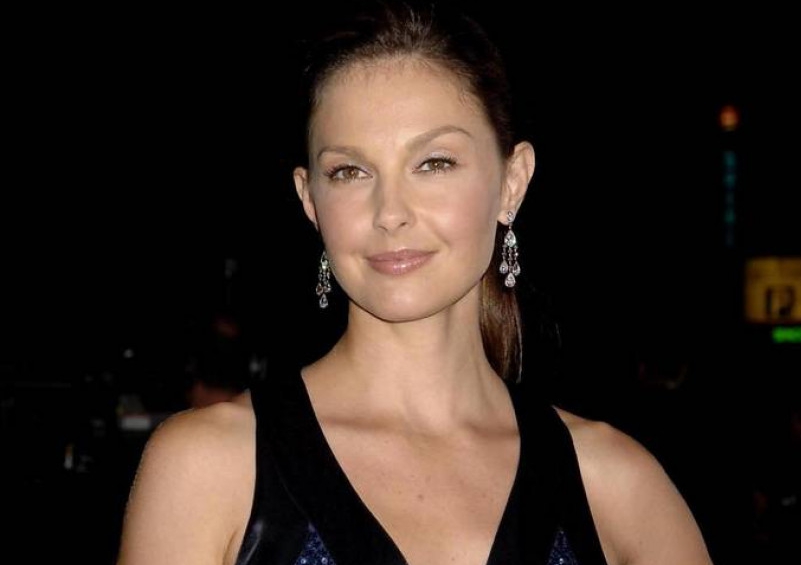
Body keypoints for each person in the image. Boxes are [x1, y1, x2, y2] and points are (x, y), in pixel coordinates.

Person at [117, 1, 714, 563]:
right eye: (350, 171)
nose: (390, 212)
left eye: (434, 163)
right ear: (309, 199)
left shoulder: (615, 483)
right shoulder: (209, 467)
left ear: (512, 182)